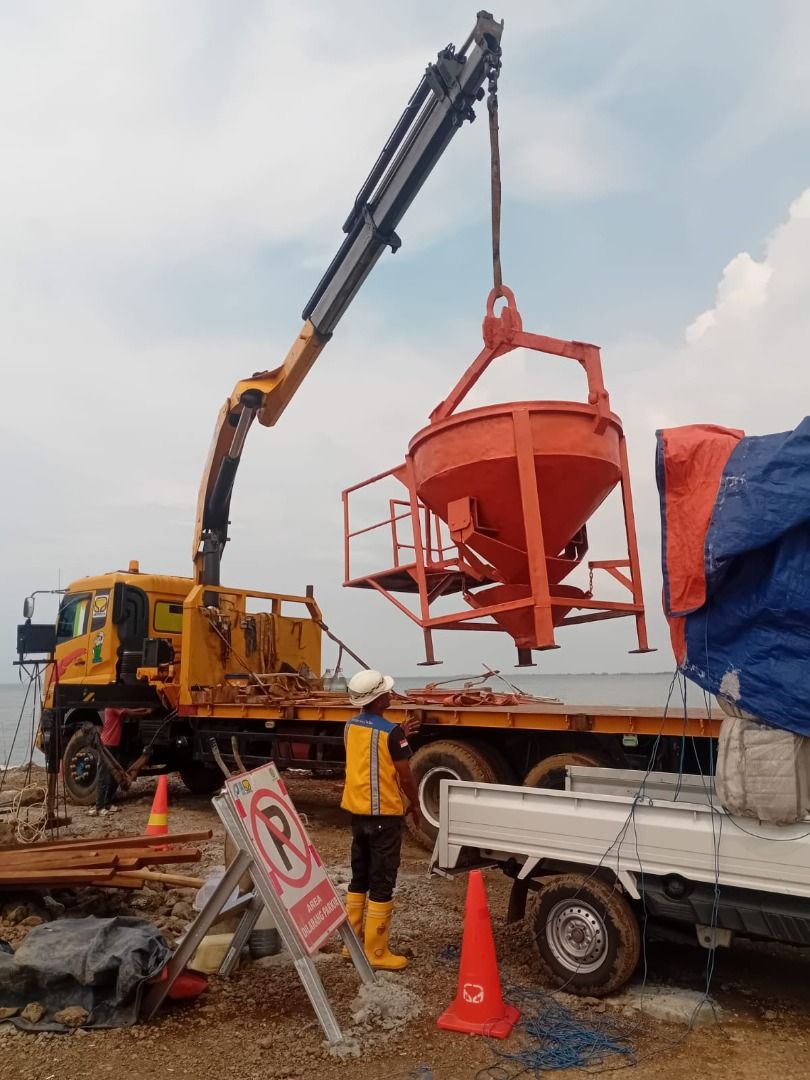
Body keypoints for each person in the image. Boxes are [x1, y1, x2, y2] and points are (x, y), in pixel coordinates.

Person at [340, 669, 420, 971]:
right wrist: (414, 803)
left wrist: (398, 734)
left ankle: (351, 945)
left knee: (359, 877)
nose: (390, 694)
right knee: (382, 880)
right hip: (384, 817)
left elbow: (368, 753)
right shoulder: (391, 734)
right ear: (377, 700)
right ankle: (376, 951)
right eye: (385, 692)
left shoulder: (350, 726)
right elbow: (405, 776)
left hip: (357, 814)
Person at [88, 707, 150, 817]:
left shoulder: (114, 707)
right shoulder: (113, 706)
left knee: (114, 777)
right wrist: (146, 711)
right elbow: (129, 712)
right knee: (103, 777)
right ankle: (100, 807)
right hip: (107, 746)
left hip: (113, 746)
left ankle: (107, 804)